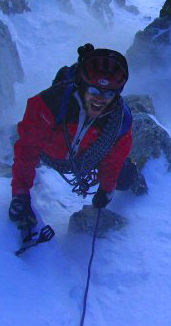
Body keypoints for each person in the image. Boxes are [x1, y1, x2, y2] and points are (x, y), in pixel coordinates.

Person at [8, 44, 133, 235]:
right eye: (94, 90)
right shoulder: (50, 104)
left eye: (109, 93)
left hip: (87, 158)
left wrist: (106, 189)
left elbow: (113, 160)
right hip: (52, 153)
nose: (100, 98)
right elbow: (27, 150)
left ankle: (136, 178)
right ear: (82, 86)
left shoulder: (120, 121)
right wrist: (20, 194)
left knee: (125, 177)